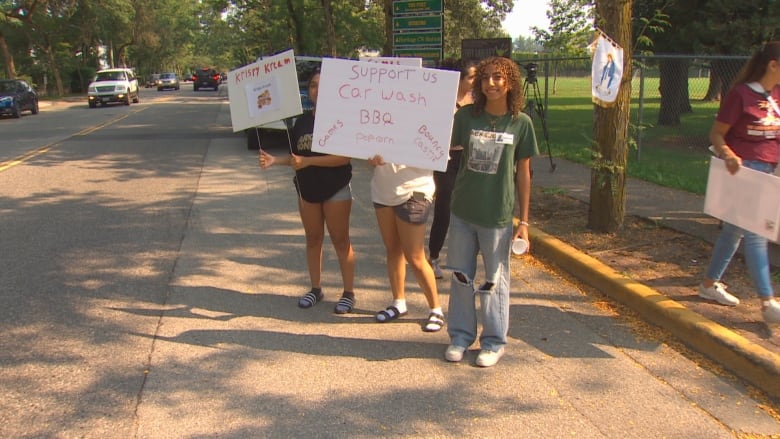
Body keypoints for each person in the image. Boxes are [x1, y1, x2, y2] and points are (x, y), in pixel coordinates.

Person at [444, 56, 539, 367]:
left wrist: (523, 221)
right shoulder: (467, 119)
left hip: (496, 216)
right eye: (485, 78)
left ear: (509, 82)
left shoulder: (521, 123)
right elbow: (440, 149)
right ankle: (459, 336)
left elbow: (524, 173)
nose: (491, 83)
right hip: (462, 212)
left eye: (498, 77)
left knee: (494, 281)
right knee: (460, 277)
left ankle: (494, 342)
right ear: (478, 85)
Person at [259, 71, 357, 314]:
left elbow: (343, 159)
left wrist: (310, 162)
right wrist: (275, 161)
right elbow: (297, 159)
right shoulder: (301, 122)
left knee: (340, 240)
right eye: (313, 86)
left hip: (336, 188)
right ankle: (315, 288)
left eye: (322, 86)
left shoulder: (340, 118)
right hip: (306, 190)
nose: (316, 90)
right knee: (313, 239)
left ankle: (348, 293)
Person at [697, 41, 780, 324]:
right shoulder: (741, 95)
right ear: (773, 64)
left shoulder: (776, 96)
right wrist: (729, 155)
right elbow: (717, 134)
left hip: (768, 172)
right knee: (757, 234)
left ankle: (708, 285)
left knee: (734, 232)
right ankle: (768, 302)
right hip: (745, 173)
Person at [367, 155, 444, 332]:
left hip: (413, 191)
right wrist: (371, 158)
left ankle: (436, 309)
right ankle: (399, 302)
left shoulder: (428, 126)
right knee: (393, 250)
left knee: (415, 257)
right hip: (383, 191)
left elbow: (437, 153)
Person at [428, 58, 478, 279]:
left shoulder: (477, 100)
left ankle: (462, 257)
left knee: (467, 207)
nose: (476, 81)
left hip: (469, 156)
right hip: (445, 157)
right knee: (445, 207)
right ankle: (434, 256)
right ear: (459, 78)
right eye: (471, 77)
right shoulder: (441, 100)